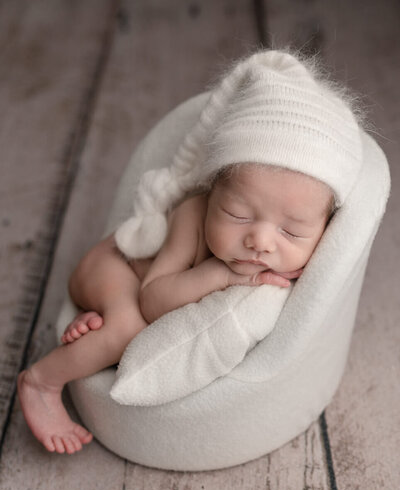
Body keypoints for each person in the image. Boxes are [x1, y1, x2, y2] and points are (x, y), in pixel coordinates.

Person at [17, 48, 363, 454]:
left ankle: (97, 326)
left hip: (125, 286)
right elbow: (152, 298)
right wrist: (225, 275)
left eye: (292, 231)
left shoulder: (304, 245)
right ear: (213, 189)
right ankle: (40, 381)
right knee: (128, 326)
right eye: (237, 214)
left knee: (121, 328)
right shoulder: (192, 215)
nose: (262, 242)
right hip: (114, 268)